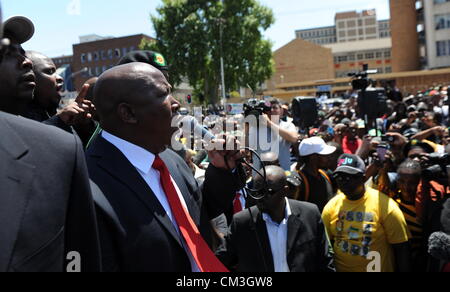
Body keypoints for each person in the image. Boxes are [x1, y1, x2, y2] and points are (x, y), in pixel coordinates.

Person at [87, 62, 245, 272]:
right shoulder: (87, 183)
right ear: (128, 113)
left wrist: (223, 170)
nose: (176, 104)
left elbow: (198, 214)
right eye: (163, 94)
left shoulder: (171, 159)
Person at [0, 10, 100, 272]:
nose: (24, 63)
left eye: (22, 53)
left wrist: (80, 125)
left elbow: (78, 257)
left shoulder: (60, 144)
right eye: (8, 54)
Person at [216, 166, 335, 272]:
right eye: (256, 192)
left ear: (285, 191)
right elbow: (221, 261)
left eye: (267, 192)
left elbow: (324, 261)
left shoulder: (310, 214)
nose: (260, 197)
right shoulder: (242, 222)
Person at [322, 154, 411, 272]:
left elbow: (401, 248)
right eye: (340, 177)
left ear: (363, 178)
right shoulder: (331, 206)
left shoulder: (386, 206)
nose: (344, 182)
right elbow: (325, 245)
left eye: (349, 177)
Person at [248, 98, 299, 171]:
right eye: (268, 108)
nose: (271, 110)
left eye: (274, 107)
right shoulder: (256, 127)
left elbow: (293, 138)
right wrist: (247, 125)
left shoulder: (288, 125)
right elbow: (247, 148)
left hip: (282, 174)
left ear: (281, 110)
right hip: (260, 175)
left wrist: (269, 123)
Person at [296, 137, 336, 212]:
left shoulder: (326, 174)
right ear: (313, 158)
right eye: (324, 155)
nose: (329, 158)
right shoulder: (299, 181)